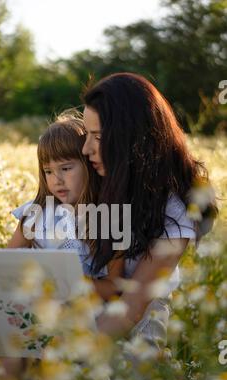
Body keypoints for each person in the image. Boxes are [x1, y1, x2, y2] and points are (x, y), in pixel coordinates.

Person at [0, 112, 124, 367]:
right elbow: (1, 266)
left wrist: (68, 283)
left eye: (66, 168)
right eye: (48, 171)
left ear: (89, 164)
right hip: (26, 311)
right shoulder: (35, 215)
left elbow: (115, 288)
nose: (57, 179)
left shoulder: (110, 218)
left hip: (73, 319)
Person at [81, 72, 218, 343]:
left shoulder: (177, 208)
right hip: (85, 304)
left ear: (132, 138)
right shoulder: (96, 179)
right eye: (86, 135)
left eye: (97, 137)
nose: (86, 149)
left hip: (136, 323)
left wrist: (68, 355)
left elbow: (133, 307)